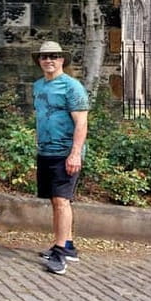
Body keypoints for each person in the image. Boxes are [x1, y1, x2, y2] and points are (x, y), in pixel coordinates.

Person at [32, 41, 89, 275]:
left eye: (54, 56)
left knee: (62, 200)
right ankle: (68, 245)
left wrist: (75, 153)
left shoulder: (72, 87)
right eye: (44, 57)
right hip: (46, 151)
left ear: (62, 59)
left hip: (65, 152)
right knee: (55, 201)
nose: (49, 60)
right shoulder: (38, 86)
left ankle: (60, 253)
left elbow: (81, 123)